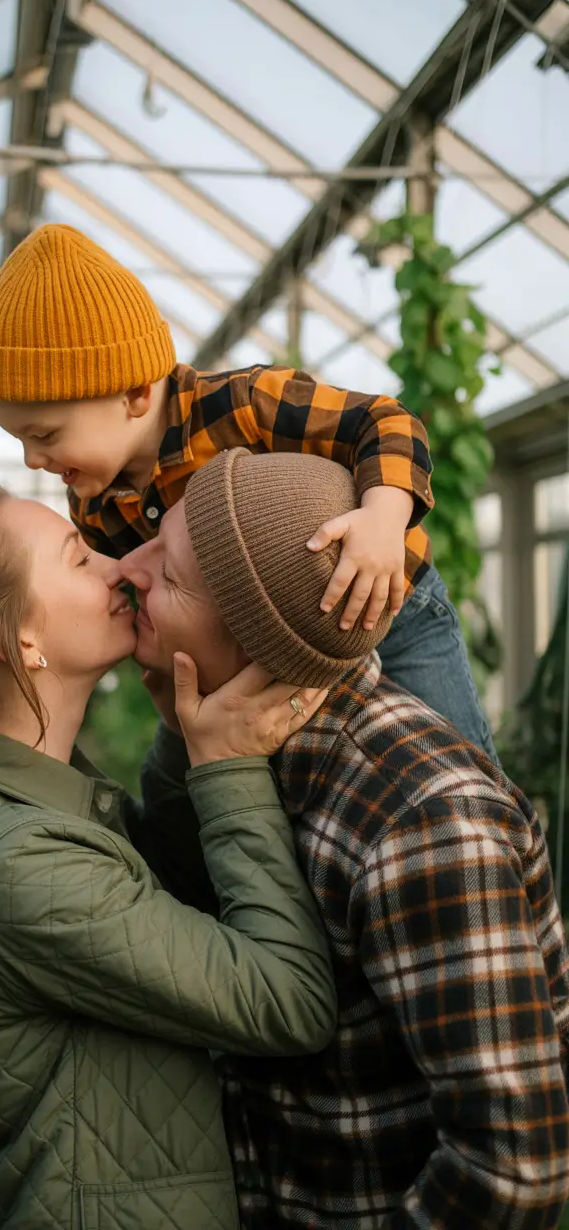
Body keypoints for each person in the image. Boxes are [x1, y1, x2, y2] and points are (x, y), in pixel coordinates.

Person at [0, 480, 338, 1230]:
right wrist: (229, 767)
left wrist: (188, 736)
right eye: (77, 559)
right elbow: (290, 1001)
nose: (116, 568)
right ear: (20, 641)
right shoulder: (12, 861)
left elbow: (164, 892)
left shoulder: (9, 794)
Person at [119, 448, 569, 1229]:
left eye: (172, 574)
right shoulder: (241, 744)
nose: (130, 567)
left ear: (259, 644)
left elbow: (515, 1171)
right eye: (154, 542)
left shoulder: (420, 818)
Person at [0, 222, 497, 761]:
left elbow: (384, 422)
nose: (31, 459)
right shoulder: (92, 504)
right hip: (271, 648)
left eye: (45, 435)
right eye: (19, 439)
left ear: (134, 395)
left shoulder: (242, 405)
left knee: (455, 760)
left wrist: (382, 521)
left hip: (391, 603)